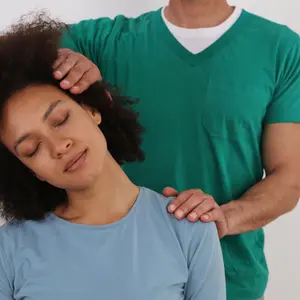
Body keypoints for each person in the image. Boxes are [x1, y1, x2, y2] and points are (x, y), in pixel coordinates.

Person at [56, 0, 300, 299]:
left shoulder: (281, 48)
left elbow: (289, 175)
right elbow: (12, 56)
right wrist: (58, 60)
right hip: (118, 281)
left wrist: (225, 218)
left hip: (230, 282)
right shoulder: (97, 41)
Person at [0, 15, 226, 300]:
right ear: (31, 170)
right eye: (32, 149)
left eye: (60, 120)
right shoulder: (8, 249)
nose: (58, 146)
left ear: (92, 111)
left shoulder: (189, 228)